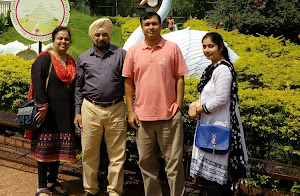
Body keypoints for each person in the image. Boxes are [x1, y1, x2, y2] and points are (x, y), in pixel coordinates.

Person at [123, 11, 188, 196]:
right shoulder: (134, 51)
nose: (150, 27)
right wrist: (131, 111)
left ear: (161, 25)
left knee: (174, 163)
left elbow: (180, 77)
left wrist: (179, 106)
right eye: (147, 24)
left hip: (169, 115)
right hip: (142, 117)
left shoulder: (172, 48)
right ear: (142, 27)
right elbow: (128, 82)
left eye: (154, 23)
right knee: (146, 163)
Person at [188, 32, 250, 195]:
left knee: (215, 183)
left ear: (221, 47)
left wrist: (197, 109)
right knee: (211, 181)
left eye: (211, 46)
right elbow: (208, 95)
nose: (207, 50)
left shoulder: (223, 69)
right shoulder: (212, 68)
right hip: (210, 126)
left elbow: (221, 99)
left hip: (217, 129)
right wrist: (195, 104)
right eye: (204, 46)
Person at [74, 18, 127, 196]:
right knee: (89, 151)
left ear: (109, 35)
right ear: (92, 37)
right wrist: (77, 112)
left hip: (116, 108)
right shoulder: (83, 58)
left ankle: (114, 190)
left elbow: (129, 83)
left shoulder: (121, 54)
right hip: (90, 108)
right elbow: (78, 87)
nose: (101, 37)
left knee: (117, 154)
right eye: (97, 34)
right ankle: (90, 188)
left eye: (104, 34)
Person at [29, 26, 77, 196]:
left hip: (65, 113)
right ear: (53, 40)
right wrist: (42, 106)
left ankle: (52, 180)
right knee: (44, 149)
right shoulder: (45, 59)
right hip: (47, 113)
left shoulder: (70, 61)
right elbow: (37, 82)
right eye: (60, 38)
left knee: (58, 148)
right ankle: (41, 186)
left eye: (66, 39)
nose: (63, 41)